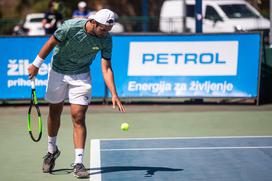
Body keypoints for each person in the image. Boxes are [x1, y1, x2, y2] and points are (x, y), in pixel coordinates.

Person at [28, 9, 126, 178]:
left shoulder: (106, 40)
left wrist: (114, 93)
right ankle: (52, 151)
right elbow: (51, 42)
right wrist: (36, 64)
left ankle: (79, 163)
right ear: (93, 22)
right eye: (103, 29)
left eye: (108, 30)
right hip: (57, 72)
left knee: (78, 116)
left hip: (81, 76)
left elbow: (106, 67)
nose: (105, 33)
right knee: (54, 112)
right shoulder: (70, 27)